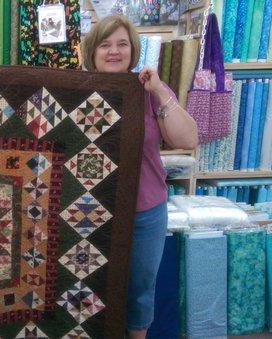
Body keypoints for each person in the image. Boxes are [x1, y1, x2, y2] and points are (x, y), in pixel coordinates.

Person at [82, 15, 197, 339]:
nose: (114, 51)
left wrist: (159, 90)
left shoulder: (147, 91)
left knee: (140, 289)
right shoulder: (77, 93)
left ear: (133, 50)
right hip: (88, 211)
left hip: (144, 210)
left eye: (122, 44)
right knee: (87, 286)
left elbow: (188, 140)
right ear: (93, 51)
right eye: (105, 44)